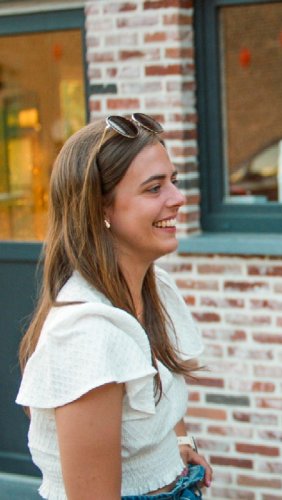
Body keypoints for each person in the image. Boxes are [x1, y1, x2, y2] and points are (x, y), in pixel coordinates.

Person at [16, 114, 213, 499]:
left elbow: (155, 378)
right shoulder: (87, 337)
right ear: (101, 209)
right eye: (154, 188)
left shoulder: (153, 288)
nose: (177, 197)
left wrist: (178, 441)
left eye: (173, 180)